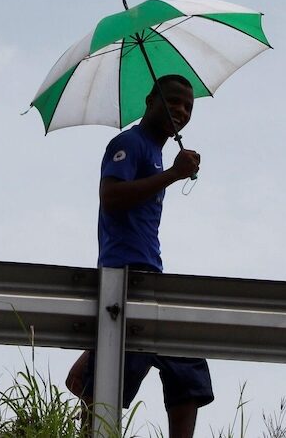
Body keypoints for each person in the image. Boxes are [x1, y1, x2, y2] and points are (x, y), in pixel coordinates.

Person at [64, 73, 214, 438]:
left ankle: (89, 373)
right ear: (149, 102)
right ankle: (90, 403)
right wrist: (172, 176)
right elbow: (111, 198)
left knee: (185, 359)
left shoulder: (156, 154)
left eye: (188, 106)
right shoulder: (129, 143)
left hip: (148, 270)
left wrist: (172, 171)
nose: (181, 110)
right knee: (117, 370)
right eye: (174, 101)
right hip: (126, 272)